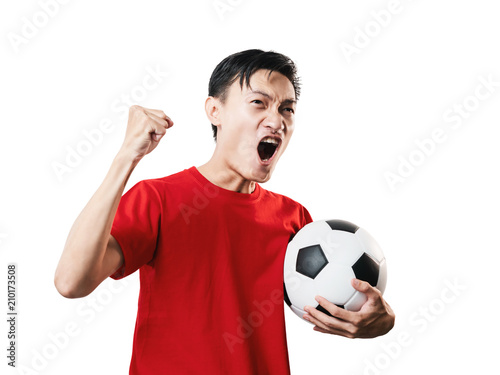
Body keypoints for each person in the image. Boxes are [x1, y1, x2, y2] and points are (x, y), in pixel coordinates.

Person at [54, 49, 395, 374]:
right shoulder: (158, 199)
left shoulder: (296, 221)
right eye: (259, 103)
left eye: (287, 109)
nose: (276, 120)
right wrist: (126, 156)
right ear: (214, 111)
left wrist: (382, 320)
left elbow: (342, 297)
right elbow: (71, 282)